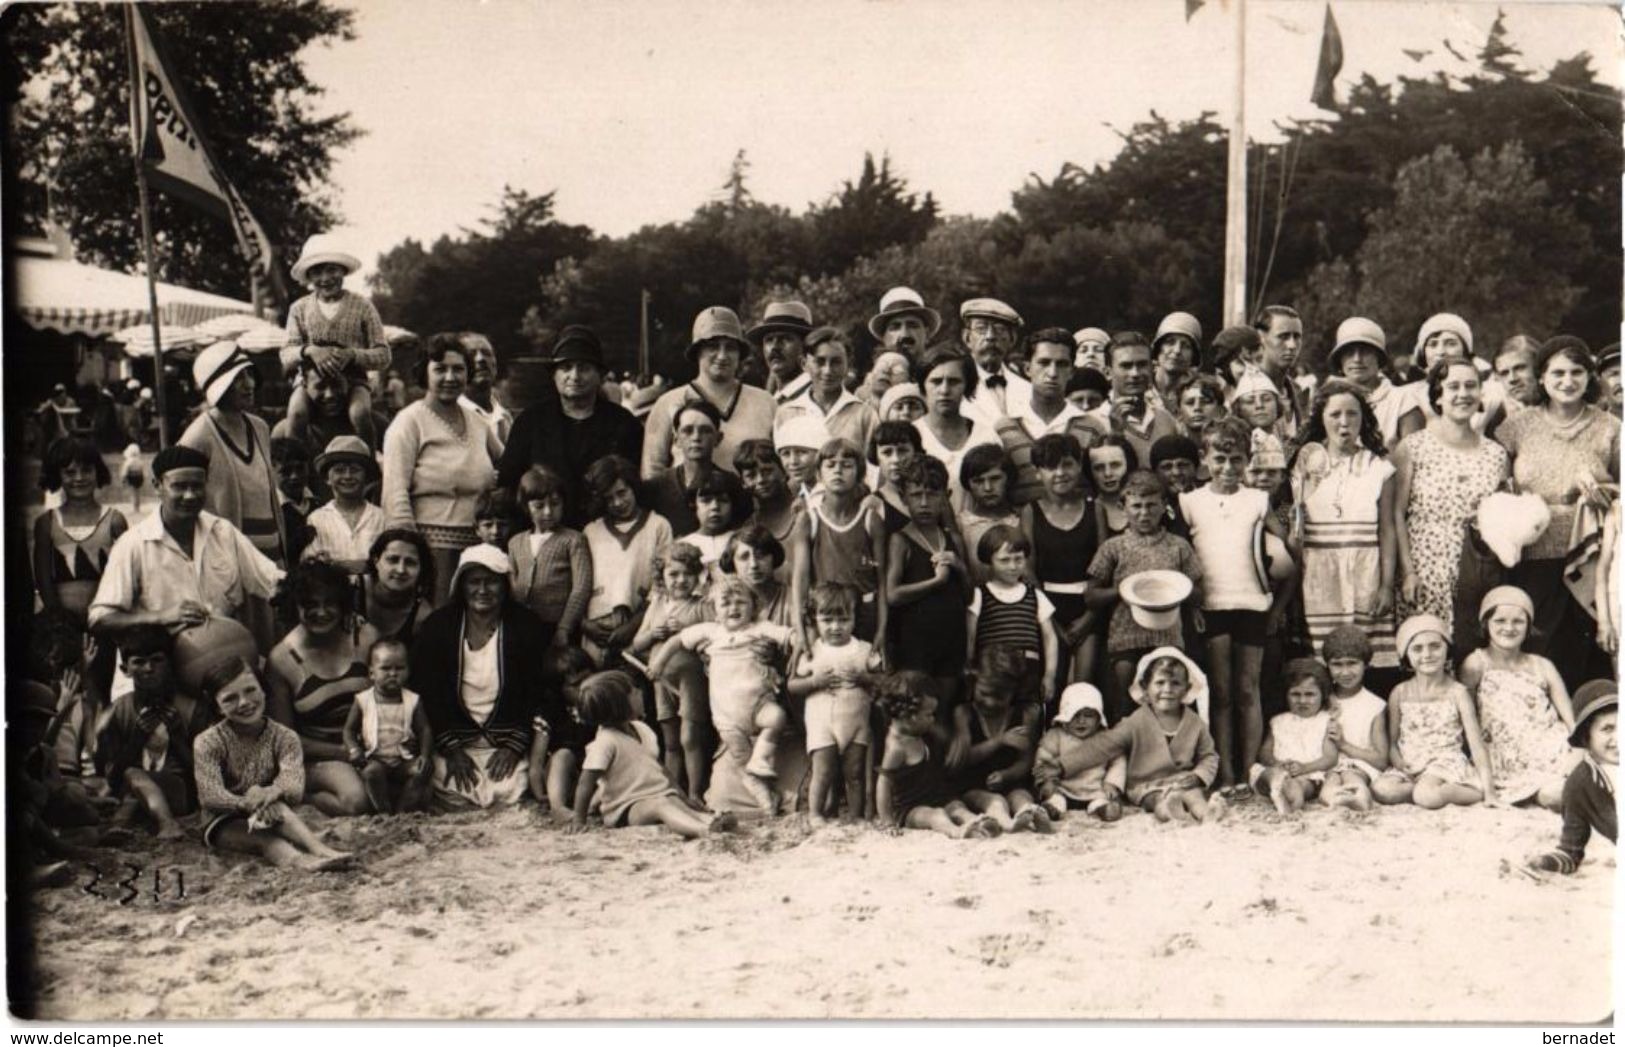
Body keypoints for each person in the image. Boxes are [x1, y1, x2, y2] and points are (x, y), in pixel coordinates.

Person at [1493, 337, 1620, 690]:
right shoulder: (1516, 426)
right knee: (1539, 646)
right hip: (1534, 557)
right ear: (1543, 378)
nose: (1567, 381)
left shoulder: (1609, 427)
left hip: (1592, 557)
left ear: (1589, 377)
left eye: (1576, 372)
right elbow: (1498, 490)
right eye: (1558, 373)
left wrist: (1604, 492)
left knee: (1591, 649)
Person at [411, 545, 558, 810]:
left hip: (506, 738)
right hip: (456, 740)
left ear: (506, 586)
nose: (482, 590)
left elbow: (539, 691)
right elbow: (429, 692)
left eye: (491, 582)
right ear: (461, 586)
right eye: (474, 582)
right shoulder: (439, 626)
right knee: (445, 783)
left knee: (510, 789)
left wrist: (515, 746)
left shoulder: (526, 626)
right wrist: (452, 749)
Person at [88, 446, 284, 640]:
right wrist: (160, 618)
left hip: (223, 656)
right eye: (179, 486)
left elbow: (272, 581)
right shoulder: (133, 544)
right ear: (157, 486)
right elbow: (100, 619)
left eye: (197, 486)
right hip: (160, 664)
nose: (190, 495)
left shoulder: (223, 532)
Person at [1181, 417, 1280, 794]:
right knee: (1220, 694)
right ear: (1204, 459)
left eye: (1236, 459)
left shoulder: (1258, 499)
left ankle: (1250, 770)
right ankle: (1224, 774)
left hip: (1253, 605)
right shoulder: (1190, 502)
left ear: (1248, 461)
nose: (1227, 468)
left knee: (1247, 691)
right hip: (1212, 605)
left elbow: (1284, 551)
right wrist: (1193, 606)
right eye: (1219, 459)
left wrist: (1275, 598)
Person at [648, 578, 794, 814]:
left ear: (753, 607)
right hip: (727, 716)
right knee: (741, 758)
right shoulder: (711, 631)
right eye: (725, 604)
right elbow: (676, 641)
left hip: (758, 704)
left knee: (776, 718)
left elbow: (788, 635)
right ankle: (764, 797)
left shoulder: (760, 628)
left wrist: (801, 643)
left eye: (740, 602)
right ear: (715, 610)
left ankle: (761, 759)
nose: (733, 608)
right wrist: (658, 664)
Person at [1392, 358, 1510, 647]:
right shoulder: (1413, 447)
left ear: (1481, 394)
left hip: (1477, 569)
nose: (1463, 394)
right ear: (1438, 396)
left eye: (1471, 386)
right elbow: (1396, 513)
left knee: (1472, 650)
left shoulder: (1496, 454)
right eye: (1453, 386)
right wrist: (1407, 572)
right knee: (1428, 651)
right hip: (1425, 569)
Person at [192, 657, 352, 870]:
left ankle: (320, 850)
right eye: (230, 698)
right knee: (267, 841)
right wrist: (246, 803)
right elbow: (209, 796)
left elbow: (294, 787)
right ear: (218, 707)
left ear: (264, 690)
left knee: (280, 806)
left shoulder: (284, 737)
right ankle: (302, 863)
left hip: (268, 809)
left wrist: (270, 793)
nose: (244, 702)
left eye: (250, 690)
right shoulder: (208, 741)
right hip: (223, 819)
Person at [381, 333, 505, 603]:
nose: (450, 377)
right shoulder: (408, 422)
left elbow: (508, 468)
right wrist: (410, 554)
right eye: (440, 369)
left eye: (458, 369)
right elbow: (394, 491)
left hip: (479, 549)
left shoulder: (477, 422)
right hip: (432, 554)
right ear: (424, 373)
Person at [1289, 380, 1398, 674]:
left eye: (1352, 414)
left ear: (1364, 419)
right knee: (1323, 662)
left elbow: (1387, 529)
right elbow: (1298, 532)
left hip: (1366, 573)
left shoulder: (1378, 467)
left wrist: (1387, 585)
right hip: (1318, 574)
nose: (1344, 422)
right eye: (1335, 414)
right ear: (1321, 418)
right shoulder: (1304, 464)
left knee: (1365, 661)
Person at [496, 326, 643, 529]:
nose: (574, 376)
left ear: (600, 375)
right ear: (554, 375)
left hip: (609, 536)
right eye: (566, 368)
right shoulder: (530, 422)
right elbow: (508, 484)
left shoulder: (624, 424)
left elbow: (636, 487)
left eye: (583, 368)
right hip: (546, 535)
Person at [1086, 470, 1203, 720]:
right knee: (1126, 702)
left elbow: (1199, 593)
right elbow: (1091, 596)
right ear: (1122, 507)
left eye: (1151, 505)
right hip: (1125, 639)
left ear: (1164, 506)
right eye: (1136, 506)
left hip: (1168, 639)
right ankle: (1127, 757)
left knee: (1168, 703)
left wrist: (1178, 587)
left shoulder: (1178, 546)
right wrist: (1124, 589)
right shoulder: (1113, 547)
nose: (1144, 513)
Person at [566, 671, 738, 837]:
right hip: (626, 808)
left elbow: (661, 770)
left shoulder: (643, 730)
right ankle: (702, 830)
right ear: (621, 704)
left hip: (658, 795)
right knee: (661, 805)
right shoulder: (605, 742)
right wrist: (579, 819)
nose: (640, 692)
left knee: (673, 801)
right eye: (634, 691)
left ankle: (708, 820)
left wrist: (684, 798)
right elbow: (585, 783)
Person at [265, 562, 377, 816]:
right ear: (294, 606)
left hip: (369, 748)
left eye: (330, 603)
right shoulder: (282, 660)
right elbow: (285, 740)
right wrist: (345, 752)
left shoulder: (365, 637)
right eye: (310, 605)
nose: (322, 612)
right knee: (358, 802)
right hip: (318, 757)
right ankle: (299, 795)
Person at [1065, 648, 1225, 824]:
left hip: (1181, 780)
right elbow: (1105, 744)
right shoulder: (1135, 721)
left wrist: (1198, 775)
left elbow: (1209, 755)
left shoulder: (1196, 723)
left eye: (1175, 683)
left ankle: (1205, 814)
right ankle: (1170, 812)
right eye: (1160, 682)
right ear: (1145, 688)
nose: (1167, 689)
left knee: (1194, 795)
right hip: (1145, 784)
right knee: (1158, 798)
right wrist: (1065, 764)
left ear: (1187, 689)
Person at [1458, 586, 1577, 809]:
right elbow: (1467, 721)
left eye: (1518, 621)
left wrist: (1579, 748)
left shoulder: (1542, 665)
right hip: (1504, 757)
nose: (1509, 628)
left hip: (1550, 747)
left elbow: (1571, 720)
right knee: (1555, 797)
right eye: (1500, 621)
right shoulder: (1476, 664)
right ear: (1486, 624)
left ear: (1529, 625)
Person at [179, 341, 287, 574]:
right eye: (238, 378)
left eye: (249, 374)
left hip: (271, 553)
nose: (249, 384)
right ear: (219, 386)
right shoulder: (198, 436)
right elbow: (182, 503)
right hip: (228, 559)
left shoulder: (259, 428)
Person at [94, 626, 209, 840]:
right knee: (130, 786)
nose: (148, 668)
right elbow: (112, 778)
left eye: (157, 660)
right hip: (132, 795)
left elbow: (204, 775)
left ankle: (165, 823)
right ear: (124, 669)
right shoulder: (117, 712)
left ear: (170, 664)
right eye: (139, 662)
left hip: (180, 793)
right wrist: (136, 740)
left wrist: (177, 737)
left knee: (132, 774)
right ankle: (125, 823)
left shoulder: (193, 710)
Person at [1371, 615, 1494, 809]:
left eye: (1435, 646)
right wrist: (1399, 762)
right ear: (1406, 655)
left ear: (1447, 649)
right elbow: (1393, 742)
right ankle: (1423, 790)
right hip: (1411, 764)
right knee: (1382, 789)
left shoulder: (1457, 692)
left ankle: (1472, 792)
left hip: (1444, 763)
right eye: (1417, 649)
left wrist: (1490, 792)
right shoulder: (1400, 692)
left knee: (1426, 796)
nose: (1427, 654)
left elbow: (1477, 745)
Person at [642, 308, 777, 481]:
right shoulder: (669, 402)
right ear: (697, 351)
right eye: (713, 346)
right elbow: (652, 471)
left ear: (739, 355)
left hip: (755, 505)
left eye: (730, 348)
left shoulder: (765, 402)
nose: (722, 356)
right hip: (688, 505)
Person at [281, 235, 388, 451]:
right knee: (296, 413)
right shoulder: (299, 309)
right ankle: (293, 466)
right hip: (311, 383)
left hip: (353, 380)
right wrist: (309, 351)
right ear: (309, 276)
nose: (325, 278)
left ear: (343, 270)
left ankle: (369, 462)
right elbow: (286, 354)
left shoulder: (362, 306)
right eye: (317, 272)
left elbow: (383, 355)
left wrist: (353, 355)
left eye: (332, 270)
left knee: (360, 414)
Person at [788, 583, 882, 826]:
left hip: (856, 722)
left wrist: (865, 678)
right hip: (822, 722)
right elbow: (792, 686)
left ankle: (855, 815)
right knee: (823, 772)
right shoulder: (813, 651)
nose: (835, 627)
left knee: (855, 773)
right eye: (827, 619)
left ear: (854, 619)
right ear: (815, 620)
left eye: (843, 619)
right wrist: (815, 681)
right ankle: (815, 813)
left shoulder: (864, 649)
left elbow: (884, 681)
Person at [885, 457, 972, 709]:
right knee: (915, 713)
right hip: (914, 646)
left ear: (946, 495)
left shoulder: (952, 537)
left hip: (951, 641)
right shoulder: (900, 539)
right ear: (903, 497)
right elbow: (892, 594)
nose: (924, 503)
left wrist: (960, 566)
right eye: (916, 495)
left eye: (932, 495)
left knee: (943, 711)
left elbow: (967, 596)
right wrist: (937, 581)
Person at [874, 671, 999, 838]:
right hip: (910, 807)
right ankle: (956, 831)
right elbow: (884, 784)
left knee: (956, 807)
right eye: (929, 714)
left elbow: (945, 738)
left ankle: (976, 821)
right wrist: (887, 821)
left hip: (936, 796)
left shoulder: (919, 731)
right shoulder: (897, 747)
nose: (933, 719)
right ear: (910, 716)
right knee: (935, 815)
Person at [629, 541, 710, 795]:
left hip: (690, 678)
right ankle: (672, 792)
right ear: (662, 576)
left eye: (688, 574)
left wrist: (687, 632)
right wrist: (653, 633)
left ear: (697, 576)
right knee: (671, 741)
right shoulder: (657, 604)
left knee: (691, 738)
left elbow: (711, 640)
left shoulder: (701, 605)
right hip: (660, 679)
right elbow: (637, 643)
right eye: (673, 574)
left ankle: (695, 793)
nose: (681, 580)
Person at [947, 644, 1053, 833]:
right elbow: (961, 760)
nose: (989, 701)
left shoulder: (1026, 714)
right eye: (984, 693)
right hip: (974, 784)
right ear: (974, 683)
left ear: (1013, 692)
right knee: (993, 800)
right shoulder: (963, 714)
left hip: (1010, 781)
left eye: (999, 697)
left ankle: (1028, 812)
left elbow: (1026, 761)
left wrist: (1007, 775)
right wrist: (998, 741)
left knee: (1020, 795)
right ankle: (1006, 822)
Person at [580, 455, 672, 665]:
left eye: (622, 493)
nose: (618, 503)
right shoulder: (591, 531)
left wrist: (633, 626)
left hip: (641, 624)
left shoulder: (658, 526)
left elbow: (662, 584)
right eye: (608, 498)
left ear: (633, 487)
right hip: (597, 628)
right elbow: (579, 583)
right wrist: (585, 624)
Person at [793, 439, 886, 643]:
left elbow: (882, 581)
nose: (838, 471)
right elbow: (800, 581)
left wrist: (881, 631)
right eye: (830, 465)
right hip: (825, 619)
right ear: (819, 474)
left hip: (865, 617)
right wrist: (800, 631)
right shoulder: (808, 519)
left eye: (847, 465)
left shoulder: (871, 519)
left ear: (860, 474)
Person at [34, 437, 128, 635]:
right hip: (62, 627)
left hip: (107, 624)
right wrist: (58, 621)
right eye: (70, 472)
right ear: (57, 476)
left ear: (98, 472)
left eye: (87, 470)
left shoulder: (115, 520)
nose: (79, 478)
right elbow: (43, 579)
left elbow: (127, 575)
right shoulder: (46, 523)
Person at [1526, 681, 1616, 875]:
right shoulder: (1580, 785)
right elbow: (1570, 853)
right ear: (1586, 737)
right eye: (1608, 729)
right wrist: (1544, 862)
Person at [342, 637, 432, 813]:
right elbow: (348, 730)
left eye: (399, 668)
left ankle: (402, 812)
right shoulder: (363, 700)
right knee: (371, 772)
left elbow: (424, 729)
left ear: (408, 671)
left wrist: (425, 755)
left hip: (402, 759)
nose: (393, 674)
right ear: (371, 673)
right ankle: (383, 811)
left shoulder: (413, 700)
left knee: (421, 772)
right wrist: (353, 750)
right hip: (374, 758)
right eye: (385, 668)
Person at [509, 464, 593, 648]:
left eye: (555, 504)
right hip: (521, 627)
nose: (548, 511)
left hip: (556, 628)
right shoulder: (515, 543)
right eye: (539, 506)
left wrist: (564, 628)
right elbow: (511, 584)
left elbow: (581, 587)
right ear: (526, 507)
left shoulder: (573, 540)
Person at [913, 344, 1002, 509]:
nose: (944, 390)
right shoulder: (911, 437)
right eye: (936, 381)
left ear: (967, 386)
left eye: (954, 382)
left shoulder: (986, 436)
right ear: (923, 386)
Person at [1251, 658, 1339, 815]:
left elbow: (1330, 758)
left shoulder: (1326, 721)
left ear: (1323, 695)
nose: (1302, 700)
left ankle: (1289, 799)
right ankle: (1276, 783)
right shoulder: (1278, 721)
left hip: (1308, 773)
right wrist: (1276, 764)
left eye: (1310, 694)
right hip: (1279, 769)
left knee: (1303, 786)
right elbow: (1264, 752)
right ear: (1286, 694)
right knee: (1265, 773)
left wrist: (1304, 768)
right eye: (1295, 694)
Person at [774, 326, 878, 457]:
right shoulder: (787, 413)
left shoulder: (864, 415)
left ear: (848, 364)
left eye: (836, 362)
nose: (827, 371)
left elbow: (873, 468)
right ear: (804, 363)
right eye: (820, 362)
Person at [1325, 317, 1425, 450]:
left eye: (1365, 351)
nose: (1357, 359)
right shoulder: (1328, 401)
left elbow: (1415, 458)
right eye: (1349, 352)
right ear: (1340, 360)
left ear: (1379, 358)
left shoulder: (1403, 400)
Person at [1033, 682, 1126, 822]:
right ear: (1064, 719)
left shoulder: (1105, 737)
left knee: (1102, 800)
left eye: (1088, 715)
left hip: (1095, 789)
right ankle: (1052, 809)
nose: (1081, 721)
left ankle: (1104, 809)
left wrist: (1112, 783)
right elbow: (1043, 760)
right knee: (1056, 799)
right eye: (1074, 715)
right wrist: (1046, 781)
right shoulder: (1056, 736)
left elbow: (1118, 761)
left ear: (1098, 719)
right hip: (1063, 788)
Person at [1319, 625, 1388, 811]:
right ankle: (1335, 801)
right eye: (1337, 664)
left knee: (1353, 777)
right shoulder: (1321, 700)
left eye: (1352, 663)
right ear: (1328, 665)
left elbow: (1381, 760)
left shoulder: (1375, 705)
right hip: (1327, 766)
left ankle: (1361, 801)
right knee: (1330, 782)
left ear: (1365, 664)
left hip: (1359, 765)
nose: (1345, 672)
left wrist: (1344, 745)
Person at [1086, 332, 1181, 467]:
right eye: (1126, 366)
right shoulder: (1090, 424)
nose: (1135, 373)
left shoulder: (1166, 420)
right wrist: (1115, 434)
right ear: (1108, 372)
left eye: (1142, 365)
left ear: (1152, 368)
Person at [302, 436, 385, 575]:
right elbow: (313, 565)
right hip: (331, 594)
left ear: (366, 476)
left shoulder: (381, 517)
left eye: (355, 470)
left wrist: (336, 565)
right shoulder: (317, 519)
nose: (347, 476)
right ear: (327, 478)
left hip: (374, 594)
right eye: (339, 470)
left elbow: (387, 562)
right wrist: (361, 565)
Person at [645, 399, 726, 537]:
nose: (696, 437)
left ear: (718, 438)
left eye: (705, 431)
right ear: (676, 439)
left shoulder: (730, 484)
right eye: (687, 431)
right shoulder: (655, 488)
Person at [958, 298, 1030, 423]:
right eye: (981, 328)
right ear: (967, 337)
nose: (990, 336)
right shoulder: (953, 385)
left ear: (1012, 339)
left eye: (1000, 329)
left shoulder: (1028, 390)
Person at [957, 444, 1020, 584]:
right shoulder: (962, 525)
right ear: (968, 485)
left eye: (995, 479)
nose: (987, 488)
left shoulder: (1021, 520)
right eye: (978, 481)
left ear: (1009, 478)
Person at [362, 528, 435, 646]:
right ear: (376, 561)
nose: (401, 570)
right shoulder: (352, 592)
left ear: (421, 569)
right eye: (393, 560)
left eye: (410, 562)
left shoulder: (423, 616)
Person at [747, 300, 813, 403]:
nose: (775, 347)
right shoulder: (772, 399)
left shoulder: (815, 396)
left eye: (786, 339)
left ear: (805, 346)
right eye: (769, 340)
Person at [455, 333, 513, 445]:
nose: (480, 359)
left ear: (495, 364)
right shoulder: (447, 419)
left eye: (487, 353)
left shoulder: (506, 419)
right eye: (471, 354)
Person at [867, 286, 942, 369]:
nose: (904, 334)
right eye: (895, 327)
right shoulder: (873, 380)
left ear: (926, 334)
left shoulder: (941, 378)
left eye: (912, 325)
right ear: (883, 337)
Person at [1151, 311, 1203, 409]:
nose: (1177, 350)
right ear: (1158, 349)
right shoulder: (1141, 386)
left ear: (1193, 356)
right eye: (1170, 342)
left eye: (1185, 346)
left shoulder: (1199, 394)